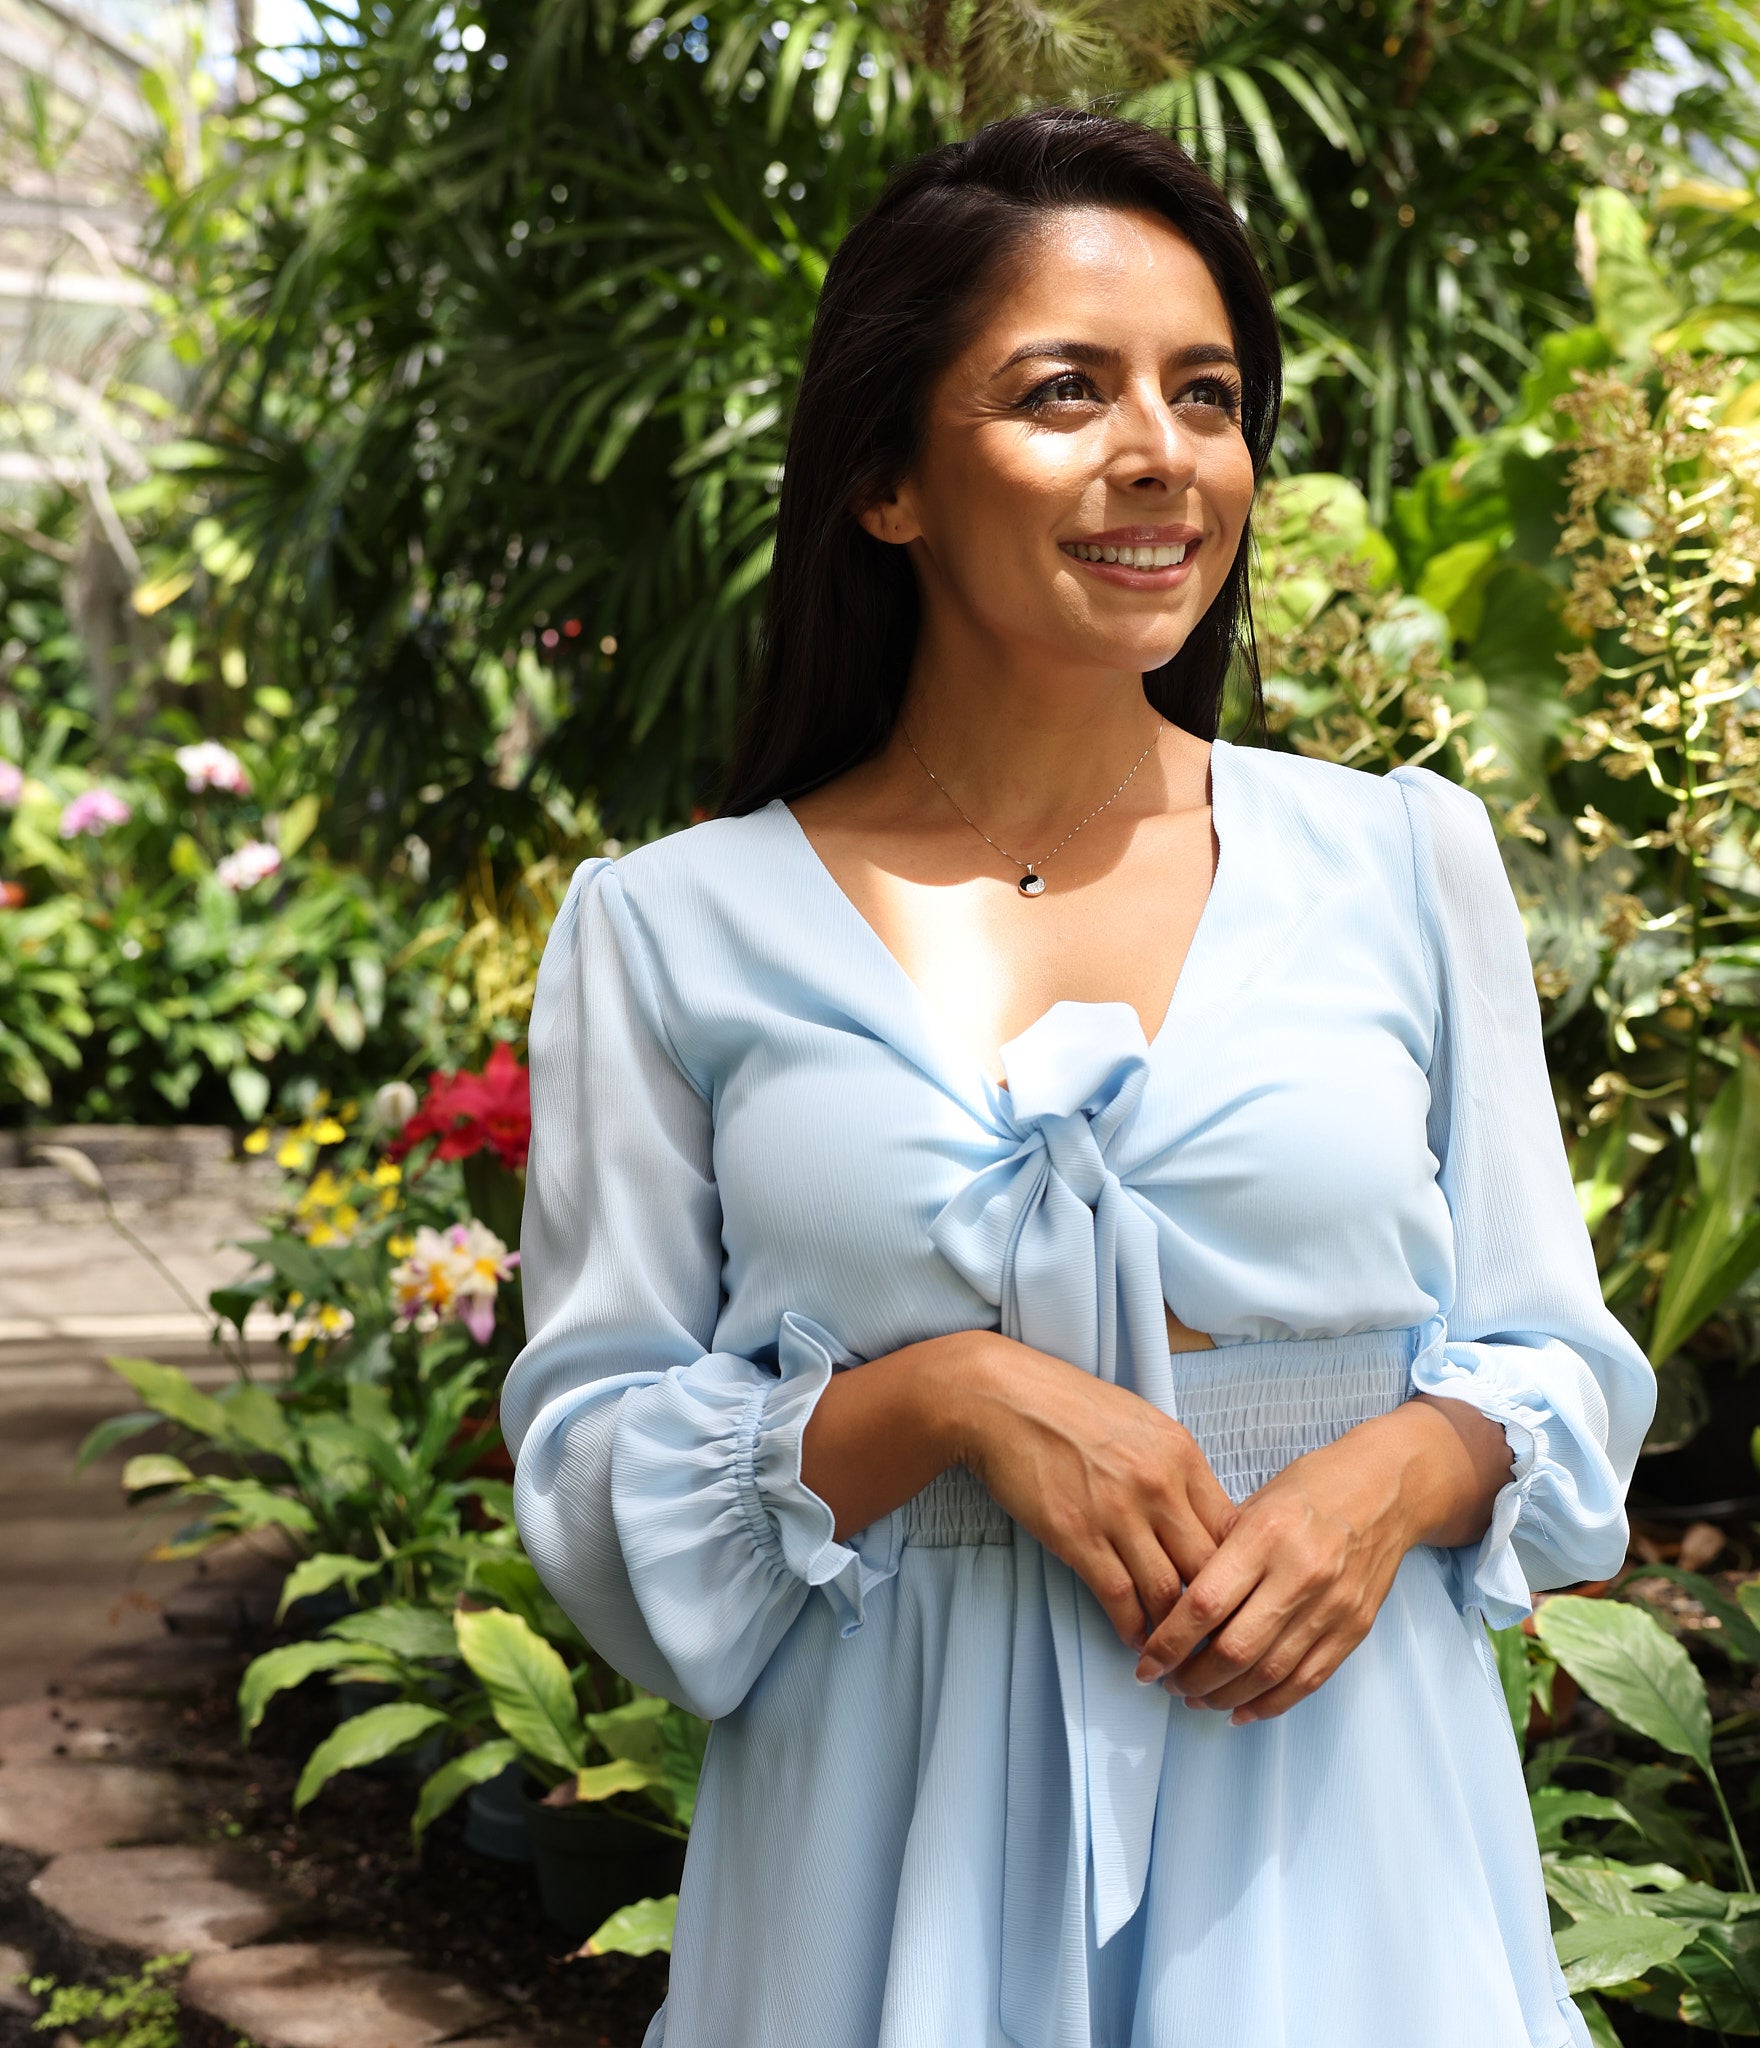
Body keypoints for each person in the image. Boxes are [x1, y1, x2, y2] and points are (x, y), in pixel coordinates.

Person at [503, 106, 1654, 2048]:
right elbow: (597, 1469)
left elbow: (1556, 1366)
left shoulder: (1402, 858)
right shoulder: (666, 930)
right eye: (1064, 390)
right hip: (886, 1845)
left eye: (1205, 397)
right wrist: (950, 1398)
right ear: (885, 476)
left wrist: (1397, 1470)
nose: (1160, 455)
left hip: (1337, 1815)